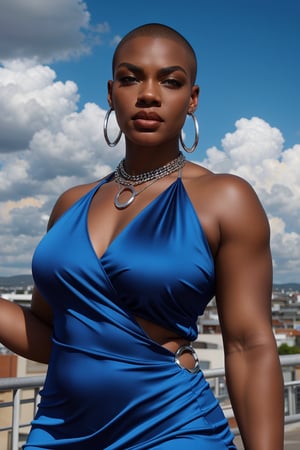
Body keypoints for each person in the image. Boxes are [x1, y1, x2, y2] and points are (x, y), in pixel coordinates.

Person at [0, 23, 284, 449]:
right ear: (111, 93)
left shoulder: (225, 198)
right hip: (58, 429)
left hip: (173, 428)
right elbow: (50, 334)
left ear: (192, 100)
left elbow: (249, 345)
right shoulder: (68, 205)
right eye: (131, 78)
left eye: (170, 81)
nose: (148, 94)